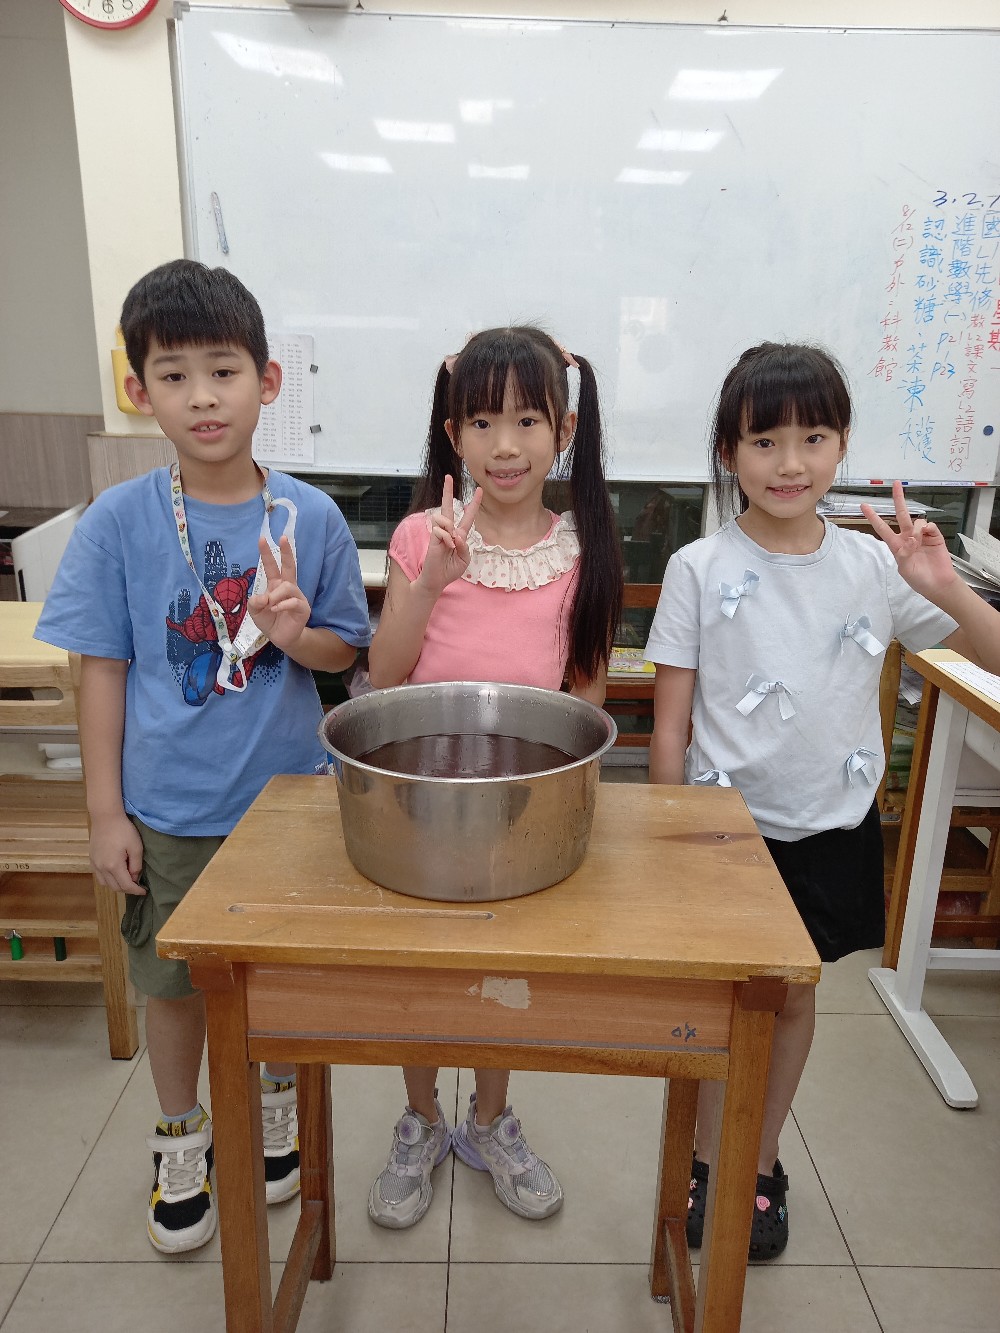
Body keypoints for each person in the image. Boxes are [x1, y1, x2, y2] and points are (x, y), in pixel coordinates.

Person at [35, 260, 371, 1254]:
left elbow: (343, 657)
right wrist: (105, 812)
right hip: (171, 810)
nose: (202, 396)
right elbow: (102, 672)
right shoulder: (119, 521)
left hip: (289, 812)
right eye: (172, 375)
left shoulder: (308, 517)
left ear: (267, 381)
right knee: (173, 987)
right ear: (139, 390)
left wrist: (297, 630)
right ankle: (180, 1133)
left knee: (279, 982)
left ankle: (273, 1110)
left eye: (222, 371)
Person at [644, 340, 1000, 1259]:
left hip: (832, 828)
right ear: (729, 451)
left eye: (814, 437)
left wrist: (944, 587)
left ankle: (760, 1161)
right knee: (725, 1005)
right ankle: (709, 1157)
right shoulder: (697, 567)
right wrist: (670, 844)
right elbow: (670, 727)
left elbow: (993, 654)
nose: (789, 462)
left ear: (843, 444)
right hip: (723, 836)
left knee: (792, 1001)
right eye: (764, 440)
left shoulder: (877, 567)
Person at [365, 326, 623, 1229]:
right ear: (453, 434)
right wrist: (431, 581)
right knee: (419, 970)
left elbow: (587, 699)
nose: (504, 444)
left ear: (565, 429)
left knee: (503, 971)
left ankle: (488, 1119)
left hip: (524, 806)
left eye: (527, 420)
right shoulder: (419, 536)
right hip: (418, 798)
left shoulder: (583, 549)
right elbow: (385, 674)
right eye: (481, 422)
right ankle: (421, 1118)